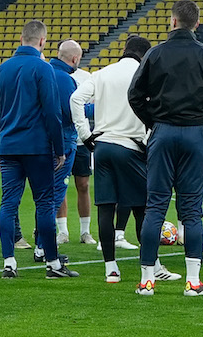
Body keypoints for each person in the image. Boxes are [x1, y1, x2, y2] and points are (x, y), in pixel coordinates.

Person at [128, 0, 203, 297]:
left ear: (172, 22)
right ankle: (193, 282)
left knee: (156, 205)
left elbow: (135, 95)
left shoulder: (155, 54)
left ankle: (147, 281)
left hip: (163, 131)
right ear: (197, 23)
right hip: (196, 133)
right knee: (192, 211)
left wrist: (154, 122)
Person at [0, 19, 78, 280]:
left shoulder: (0, 71)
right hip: (38, 148)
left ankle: (9, 262)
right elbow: (52, 112)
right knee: (45, 204)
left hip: (10, 148)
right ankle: (52, 264)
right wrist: (59, 149)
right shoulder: (42, 68)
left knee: (8, 203)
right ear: (42, 41)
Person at [74, 34, 155, 284]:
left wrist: (86, 135)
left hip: (103, 147)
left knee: (106, 207)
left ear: (125, 49)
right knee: (142, 209)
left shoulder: (101, 73)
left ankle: (111, 268)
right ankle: (149, 268)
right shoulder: (144, 75)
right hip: (131, 146)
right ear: (144, 55)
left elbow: (75, 100)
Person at [52, 40, 95, 248]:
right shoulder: (57, 76)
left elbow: (92, 103)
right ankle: (63, 231)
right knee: (59, 185)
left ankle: (85, 231)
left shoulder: (86, 77)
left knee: (83, 185)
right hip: (62, 138)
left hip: (81, 139)